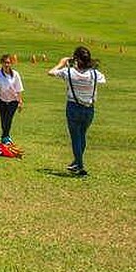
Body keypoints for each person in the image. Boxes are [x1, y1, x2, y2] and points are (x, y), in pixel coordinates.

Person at [48, 46, 106, 177]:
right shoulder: (95, 74)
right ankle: (76, 161)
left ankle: (80, 165)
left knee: (75, 137)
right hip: (89, 109)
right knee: (82, 135)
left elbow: (51, 72)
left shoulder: (69, 73)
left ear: (76, 59)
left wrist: (61, 63)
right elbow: (102, 79)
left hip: (74, 107)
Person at [0, 54, 24, 144]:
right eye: (5, 63)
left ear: (11, 63)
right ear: (1, 63)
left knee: (9, 118)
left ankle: (5, 137)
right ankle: (5, 137)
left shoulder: (16, 74)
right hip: (1, 99)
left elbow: (19, 89)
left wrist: (20, 102)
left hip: (13, 100)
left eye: (8, 63)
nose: (7, 65)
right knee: (3, 119)